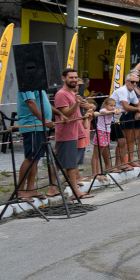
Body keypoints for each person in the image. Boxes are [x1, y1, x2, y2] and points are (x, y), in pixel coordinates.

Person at [54, 69, 93, 199]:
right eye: (71, 77)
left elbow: (78, 112)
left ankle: (57, 188)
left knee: (68, 163)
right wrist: (77, 103)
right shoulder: (61, 94)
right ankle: (75, 192)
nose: (74, 80)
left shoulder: (73, 93)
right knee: (70, 164)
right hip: (66, 133)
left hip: (75, 132)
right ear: (63, 78)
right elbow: (66, 114)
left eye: (76, 77)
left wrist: (85, 106)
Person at [15, 88, 58, 201]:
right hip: (32, 125)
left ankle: (30, 188)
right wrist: (43, 120)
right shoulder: (27, 85)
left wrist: (59, 114)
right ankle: (20, 190)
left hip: (40, 127)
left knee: (36, 158)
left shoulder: (38, 86)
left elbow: (45, 103)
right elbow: (30, 102)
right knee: (30, 157)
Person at [112, 73, 140, 171]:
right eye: (132, 82)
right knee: (105, 146)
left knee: (122, 142)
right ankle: (114, 166)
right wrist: (138, 109)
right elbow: (126, 107)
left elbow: (139, 104)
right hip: (108, 118)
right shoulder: (123, 90)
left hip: (115, 119)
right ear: (126, 82)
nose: (135, 84)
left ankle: (120, 164)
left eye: (137, 82)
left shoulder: (132, 92)